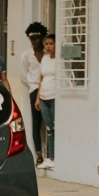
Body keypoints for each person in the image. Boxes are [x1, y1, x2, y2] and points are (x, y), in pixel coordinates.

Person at [19, 22, 46, 167]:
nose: (34, 41)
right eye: (32, 39)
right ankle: (39, 154)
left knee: (48, 122)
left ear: (41, 37)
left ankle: (50, 154)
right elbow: (23, 76)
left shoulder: (48, 53)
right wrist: (32, 86)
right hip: (34, 89)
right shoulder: (26, 55)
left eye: (37, 38)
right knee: (36, 123)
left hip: (48, 88)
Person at [35, 33, 56, 170]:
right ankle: (49, 157)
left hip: (54, 97)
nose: (48, 46)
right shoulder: (45, 59)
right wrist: (38, 97)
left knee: (55, 127)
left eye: (51, 44)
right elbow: (41, 79)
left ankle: (54, 156)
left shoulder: (59, 60)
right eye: (46, 44)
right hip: (44, 97)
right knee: (48, 128)